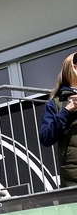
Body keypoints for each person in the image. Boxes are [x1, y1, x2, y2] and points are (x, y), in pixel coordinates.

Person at [39, 52, 77, 188]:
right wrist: (67, 111)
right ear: (75, 68)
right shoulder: (56, 103)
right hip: (73, 177)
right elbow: (45, 138)